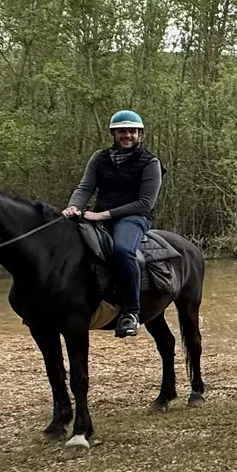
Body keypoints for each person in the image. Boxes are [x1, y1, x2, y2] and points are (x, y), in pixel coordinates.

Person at [63, 109, 164, 338]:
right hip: (98, 214)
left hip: (134, 217)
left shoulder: (151, 163)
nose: (127, 135)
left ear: (139, 134)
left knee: (122, 249)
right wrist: (73, 206)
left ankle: (131, 312)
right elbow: (85, 187)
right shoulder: (100, 158)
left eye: (131, 131)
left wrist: (102, 215)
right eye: (121, 131)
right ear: (113, 133)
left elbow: (145, 203)